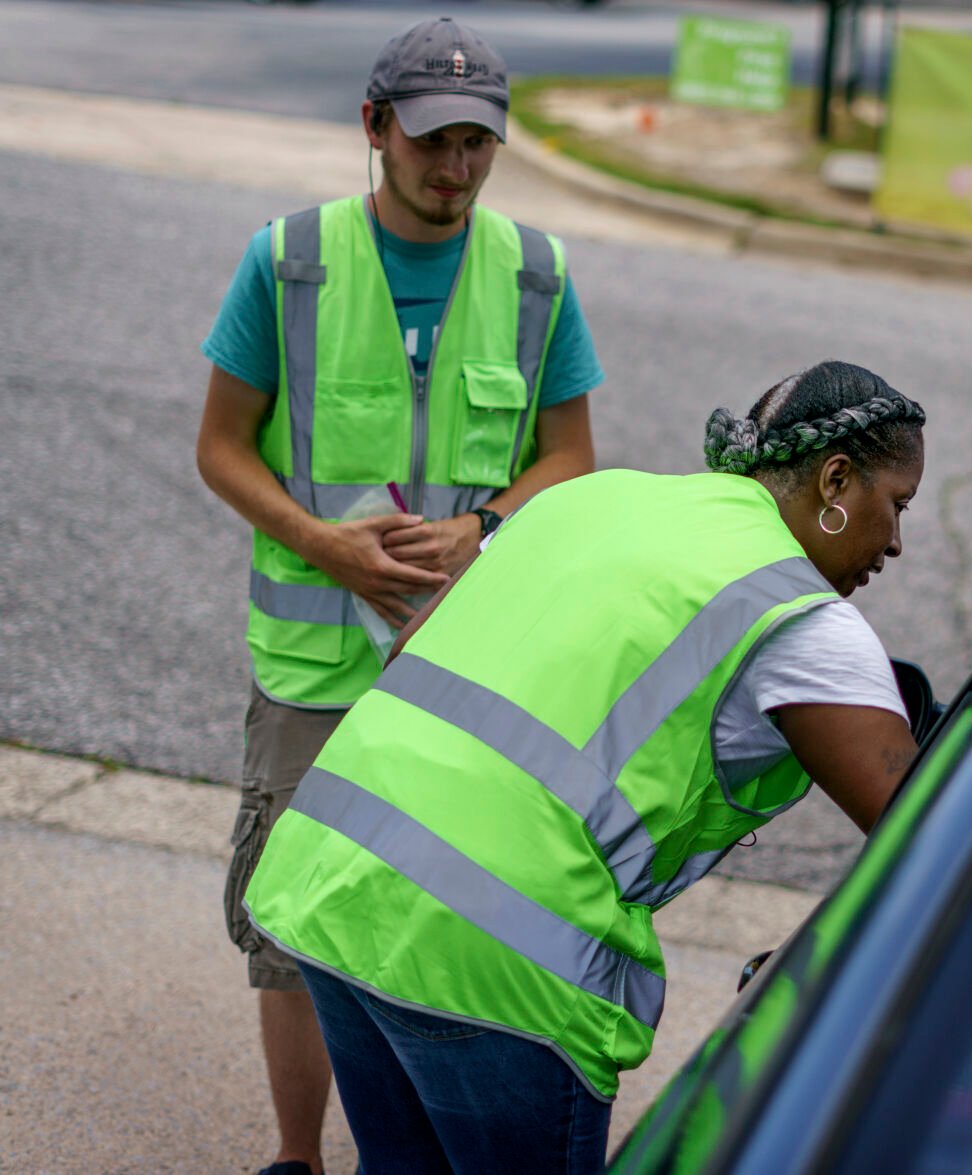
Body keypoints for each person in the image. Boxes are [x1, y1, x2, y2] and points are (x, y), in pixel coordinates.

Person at [242, 360, 926, 1172]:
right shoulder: (803, 616)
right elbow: (934, 836)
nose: (895, 542)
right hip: (489, 961)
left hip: (333, 877)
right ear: (836, 478)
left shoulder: (589, 497)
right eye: (896, 505)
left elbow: (408, 649)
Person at [194, 18, 602, 1175]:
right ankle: (295, 1156)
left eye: (479, 142)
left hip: (465, 672)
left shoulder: (536, 273)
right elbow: (221, 448)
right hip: (314, 673)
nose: (457, 166)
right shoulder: (288, 260)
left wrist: (484, 528)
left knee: (433, 926)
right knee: (291, 929)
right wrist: (326, 544)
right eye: (433, 140)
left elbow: (571, 457)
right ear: (374, 128)